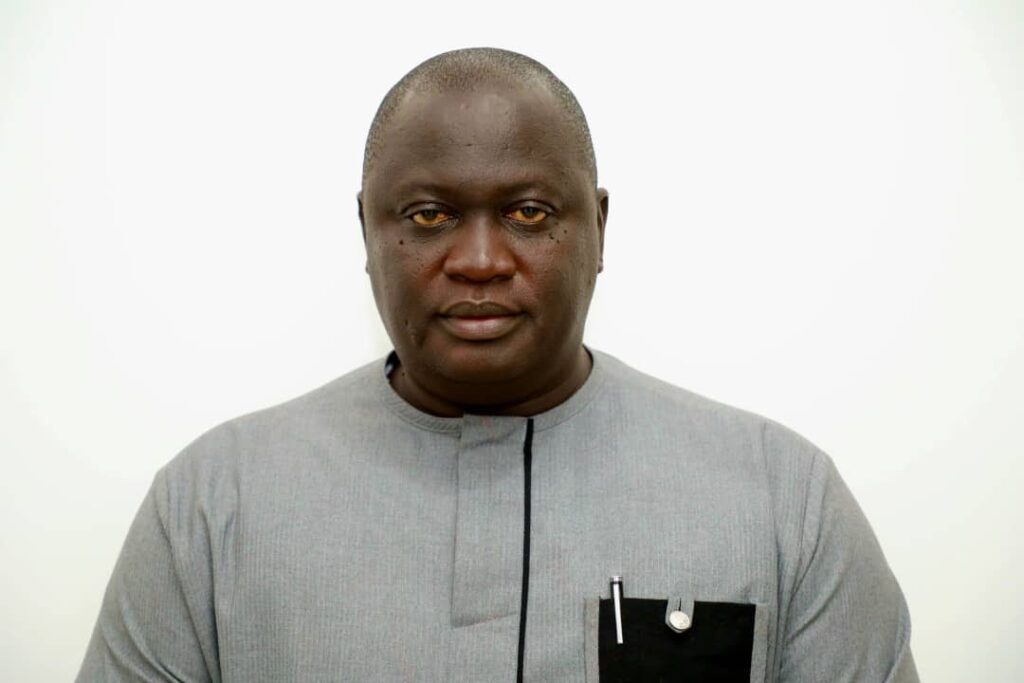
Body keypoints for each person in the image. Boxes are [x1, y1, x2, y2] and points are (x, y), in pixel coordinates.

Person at [76, 48, 918, 682]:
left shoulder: (783, 501)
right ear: (367, 231)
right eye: (429, 214)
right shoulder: (209, 507)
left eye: (529, 212)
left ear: (598, 228)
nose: (480, 259)